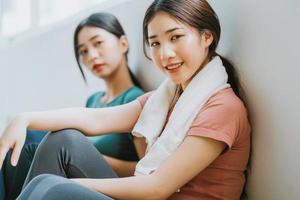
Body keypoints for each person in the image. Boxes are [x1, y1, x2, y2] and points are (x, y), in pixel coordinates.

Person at [0, 0, 250, 199]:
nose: (165, 54)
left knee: (48, 184)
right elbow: (96, 118)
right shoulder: (163, 99)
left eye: (176, 37)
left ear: (206, 37)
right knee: (63, 140)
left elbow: (157, 188)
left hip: (152, 193)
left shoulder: (223, 108)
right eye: (155, 43)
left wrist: (67, 184)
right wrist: (24, 119)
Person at [1, 12, 144, 200]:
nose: (92, 55)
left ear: (123, 43)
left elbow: (145, 170)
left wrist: (90, 155)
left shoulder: (135, 100)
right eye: (83, 51)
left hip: (114, 190)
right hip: (79, 181)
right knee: (22, 141)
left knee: (63, 139)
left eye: (98, 43)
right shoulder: (94, 100)